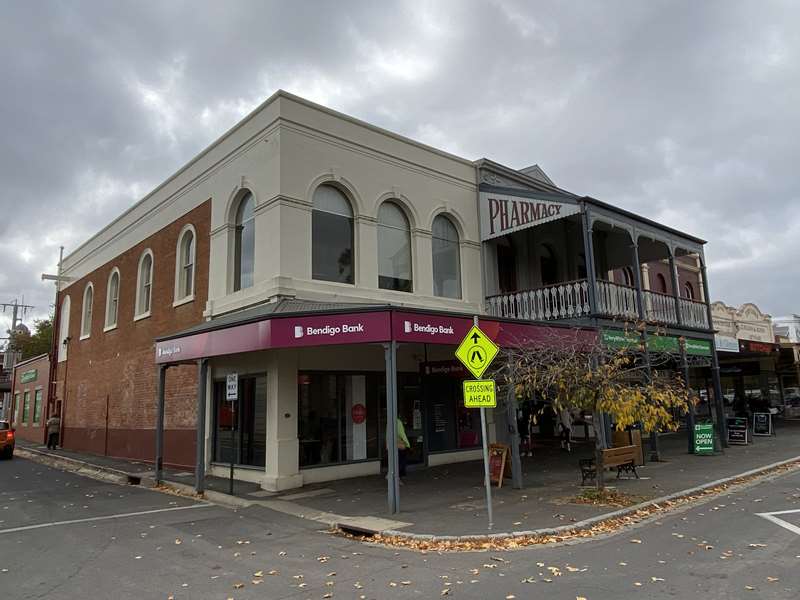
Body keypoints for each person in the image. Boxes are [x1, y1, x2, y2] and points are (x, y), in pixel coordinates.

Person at [396, 416, 410, 481]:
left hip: (394, 445)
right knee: (402, 461)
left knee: (398, 461)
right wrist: (407, 444)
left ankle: (400, 475)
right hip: (400, 445)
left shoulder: (389, 422)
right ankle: (399, 475)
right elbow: (402, 434)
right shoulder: (398, 422)